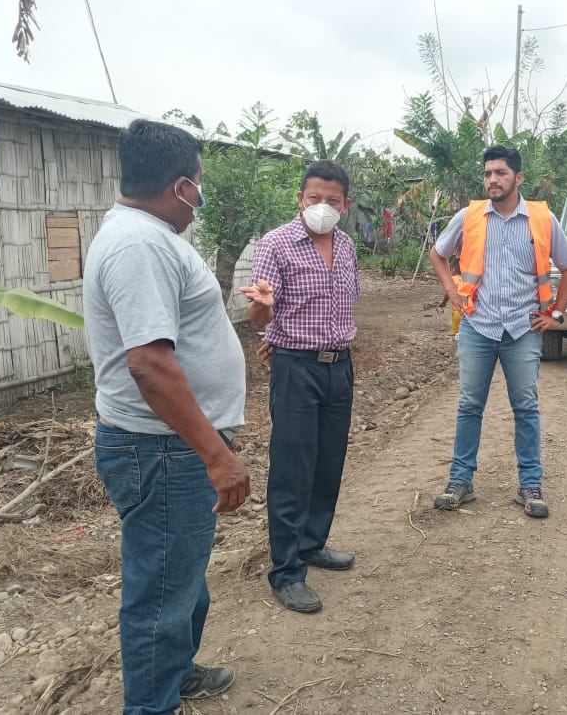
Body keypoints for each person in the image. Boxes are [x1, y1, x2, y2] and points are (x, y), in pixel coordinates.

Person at [83, 119, 255, 714]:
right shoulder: (140, 246)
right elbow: (150, 366)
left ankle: (176, 672)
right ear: (181, 186)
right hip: (161, 447)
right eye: (199, 185)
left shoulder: (147, 236)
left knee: (179, 577)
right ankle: (152, 704)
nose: (199, 198)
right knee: (160, 592)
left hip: (169, 445)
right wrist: (216, 454)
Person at [429, 145, 567, 519]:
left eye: (500, 173)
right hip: (477, 326)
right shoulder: (470, 216)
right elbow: (438, 253)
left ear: (518, 177)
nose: (492, 180)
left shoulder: (542, 219)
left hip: (522, 328)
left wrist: (557, 314)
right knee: (469, 405)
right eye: (487, 173)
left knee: (525, 407)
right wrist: (451, 291)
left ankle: (530, 484)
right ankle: (460, 482)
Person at [241, 160, 360, 614]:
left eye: (332, 200)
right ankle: (287, 570)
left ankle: (312, 543)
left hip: (339, 367)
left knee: (329, 461)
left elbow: (342, 306)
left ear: (345, 205)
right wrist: (264, 313)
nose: (322, 207)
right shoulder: (276, 244)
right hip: (296, 369)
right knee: (293, 468)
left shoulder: (346, 246)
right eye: (315, 198)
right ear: (300, 199)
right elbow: (261, 313)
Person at [437, 254, 462, 342]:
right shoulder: (466, 279)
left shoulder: (452, 279)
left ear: (452, 269)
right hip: (467, 313)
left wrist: (443, 303)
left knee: (457, 334)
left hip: (457, 312)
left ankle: (458, 344)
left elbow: (448, 293)